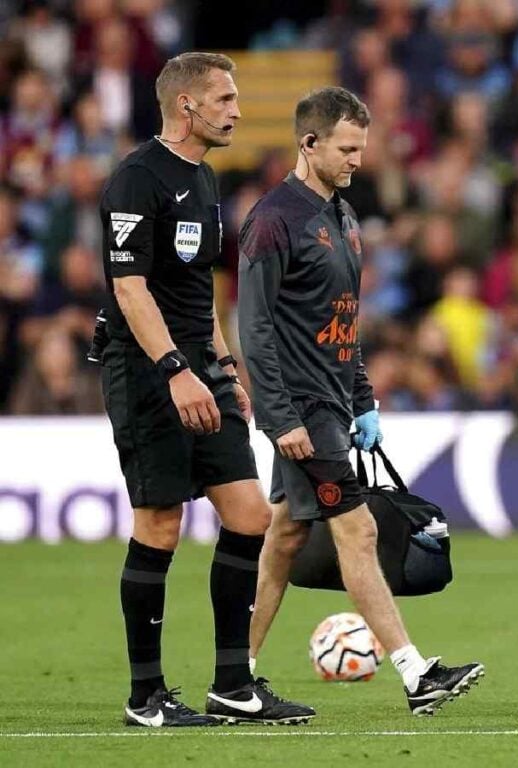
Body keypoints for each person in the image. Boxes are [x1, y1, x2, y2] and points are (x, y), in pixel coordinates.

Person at [237, 86, 484, 716]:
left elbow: (345, 320)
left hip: (332, 403)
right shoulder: (273, 220)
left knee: (286, 537)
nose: (357, 160)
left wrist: (364, 398)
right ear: (309, 143)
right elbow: (255, 326)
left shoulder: (343, 217)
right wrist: (279, 416)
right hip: (301, 408)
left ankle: (235, 676)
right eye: (347, 149)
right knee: (359, 526)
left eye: (362, 149)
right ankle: (415, 672)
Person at [97, 52, 313, 727]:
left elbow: (199, 289)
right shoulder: (136, 179)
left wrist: (223, 364)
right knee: (161, 524)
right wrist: (174, 369)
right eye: (223, 98)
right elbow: (128, 287)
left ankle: (232, 685)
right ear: (185, 105)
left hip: (198, 366)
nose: (237, 110)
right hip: (146, 369)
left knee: (250, 514)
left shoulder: (206, 178)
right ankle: (145, 696)